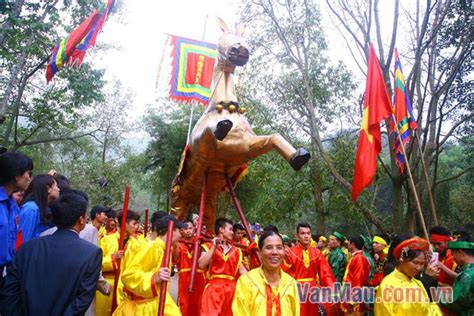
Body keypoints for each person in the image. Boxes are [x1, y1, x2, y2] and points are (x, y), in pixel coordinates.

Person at [0, 192, 102, 316]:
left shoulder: (27, 248)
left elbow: (9, 291)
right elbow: (82, 300)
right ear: (81, 220)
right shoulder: (91, 253)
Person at [113, 214, 186, 315]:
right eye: (179, 230)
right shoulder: (152, 248)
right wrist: (154, 278)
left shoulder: (164, 250)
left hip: (156, 302)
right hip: (142, 308)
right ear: (171, 230)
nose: (181, 234)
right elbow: (128, 275)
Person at [232, 230, 300, 315]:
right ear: (260, 252)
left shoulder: (290, 284)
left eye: (279, 247)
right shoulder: (246, 282)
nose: (274, 252)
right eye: (269, 247)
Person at [374, 237, 442, 315]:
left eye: (422, 264)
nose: (419, 268)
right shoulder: (387, 285)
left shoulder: (418, 283)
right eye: (415, 262)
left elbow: (427, 310)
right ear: (401, 259)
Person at [96, 209, 144, 316]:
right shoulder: (106, 240)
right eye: (134, 223)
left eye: (138, 223)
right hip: (109, 283)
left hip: (127, 288)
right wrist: (113, 258)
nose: (137, 226)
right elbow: (96, 264)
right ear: (124, 223)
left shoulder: (139, 242)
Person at [282, 222, 335, 316]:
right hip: (297, 291)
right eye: (302, 233)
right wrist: (284, 260)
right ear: (297, 235)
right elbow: (285, 274)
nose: (306, 236)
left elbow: (326, 273)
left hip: (314, 291)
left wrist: (331, 289)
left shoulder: (317, 253)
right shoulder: (290, 253)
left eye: (308, 233)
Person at [199, 217, 247, 316]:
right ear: (221, 229)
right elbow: (201, 264)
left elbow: (242, 271)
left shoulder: (236, 250)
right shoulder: (208, 246)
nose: (232, 232)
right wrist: (213, 247)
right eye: (230, 229)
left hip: (231, 290)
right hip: (214, 289)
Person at [0, 152, 33, 282]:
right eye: (28, 173)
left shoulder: (12, 205)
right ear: (17, 175)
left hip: (6, 272)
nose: (29, 178)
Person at [176, 220, 206, 316]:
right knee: (184, 305)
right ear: (181, 231)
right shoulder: (178, 244)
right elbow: (175, 258)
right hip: (184, 279)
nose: (188, 231)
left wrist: (200, 243)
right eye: (185, 229)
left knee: (199, 305)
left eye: (190, 228)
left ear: (194, 229)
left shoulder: (201, 243)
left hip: (199, 278)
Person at [19, 174, 60, 242]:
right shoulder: (31, 209)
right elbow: (23, 239)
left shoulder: (44, 208)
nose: (58, 189)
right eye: (56, 186)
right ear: (48, 189)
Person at [440, 241, 474, 315]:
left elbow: (454, 302)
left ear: (460, 253)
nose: (453, 258)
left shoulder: (467, 275)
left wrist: (437, 295)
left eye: (453, 254)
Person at [342, 235, 371, 315]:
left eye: (348, 243)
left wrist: (352, 301)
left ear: (352, 244)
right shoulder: (355, 257)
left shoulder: (359, 258)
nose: (347, 245)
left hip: (354, 303)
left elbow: (358, 279)